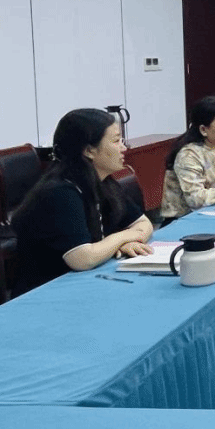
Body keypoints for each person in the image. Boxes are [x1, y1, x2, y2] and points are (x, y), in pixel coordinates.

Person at [12, 109, 153, 296]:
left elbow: (144, 223)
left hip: (86, 285)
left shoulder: (104, 182)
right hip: (47, 294)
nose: (124, 147)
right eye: (116, 141)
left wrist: (120, 244)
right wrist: (122, 238)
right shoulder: (60, 192)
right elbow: (82, 258)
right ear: (89, 150)